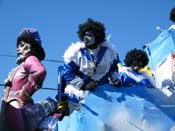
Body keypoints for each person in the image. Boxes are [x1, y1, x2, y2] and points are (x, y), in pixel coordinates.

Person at [63, 18, 121, 106]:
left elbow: (113, 68)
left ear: (97, 37)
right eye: (84, 35)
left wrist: (115, 79)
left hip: (103, 95)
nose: (86, 38)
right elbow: (67, 73)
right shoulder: (75, 53)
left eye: (89, 35)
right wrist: (84, 85)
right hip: (79, 96)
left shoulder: (109, 53)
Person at [0, 28, 46, 131]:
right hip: (8, 108)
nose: (17, 49)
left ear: (29, 45)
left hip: (16, 105)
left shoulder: (30, 60)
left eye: (21, 45)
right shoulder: (18, 68)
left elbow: (40, 71)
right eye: (18, 46)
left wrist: (26, 91)